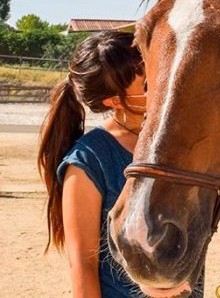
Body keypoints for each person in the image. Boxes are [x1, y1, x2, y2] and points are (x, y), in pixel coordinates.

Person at [37, 31, 145, 297]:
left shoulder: (173, 141)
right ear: (115, 101)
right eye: (146, 85)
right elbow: (83, 265)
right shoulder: (88, 159)